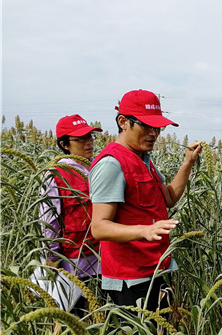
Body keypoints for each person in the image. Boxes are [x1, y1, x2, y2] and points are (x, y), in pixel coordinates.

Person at [89, 90, 202, 310]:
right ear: (123, 122)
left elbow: (169, 197)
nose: (153, 134)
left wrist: (188, 162)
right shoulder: (112, 164)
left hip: (156, 269)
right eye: (146, 126)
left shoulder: (143, 159)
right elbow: (99, 227)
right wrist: (145, 230)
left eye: (157, 128)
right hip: (131, 281)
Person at [38, 115, 102, 311]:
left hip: (106, 262)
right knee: (75, 319)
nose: (88, 142)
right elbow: (49, 222)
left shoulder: (101, 166)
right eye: (81, 139)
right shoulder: (56, 175)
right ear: (65, 145)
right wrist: (52, 259)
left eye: (90, 136)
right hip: (75, 264)